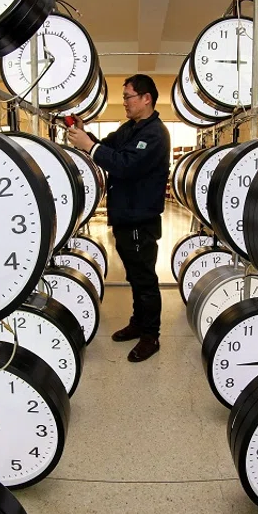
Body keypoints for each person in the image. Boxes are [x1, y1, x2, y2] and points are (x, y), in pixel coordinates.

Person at [67, 74, 171, 362]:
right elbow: (107, 148)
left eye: (128, 96)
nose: (124, 102)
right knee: (134, 276)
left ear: (146, 98)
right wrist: (86, 134)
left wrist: (89, 146)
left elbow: (126, 165)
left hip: (141, 219)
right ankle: (139, 323)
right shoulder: (130, 129)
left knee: (145, 278)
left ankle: (151, 336)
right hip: (125, 216)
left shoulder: (155, 134)